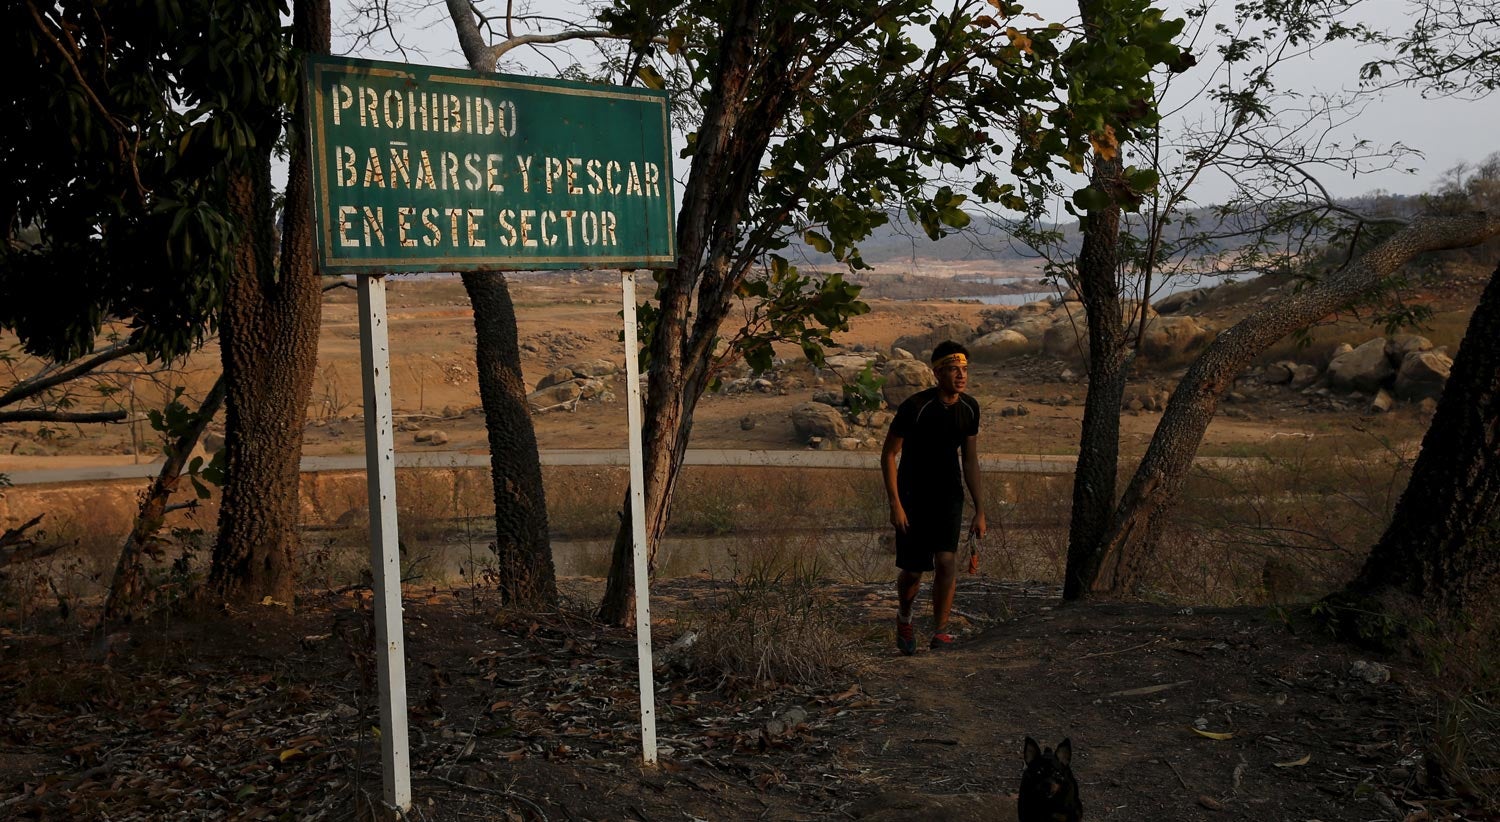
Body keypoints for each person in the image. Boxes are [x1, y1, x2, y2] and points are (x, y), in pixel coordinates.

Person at [881, 340, 986, 654]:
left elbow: (970, 460)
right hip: (912, 495)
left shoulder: (970, 408)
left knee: (946, 561)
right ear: (937, 373)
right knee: (913, 571)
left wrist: (980, 509)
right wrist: (895, 504)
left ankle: (940, 632)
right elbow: (889, 455)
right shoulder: (915, 406)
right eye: (953, 369)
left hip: (949, 495)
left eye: (964, 369)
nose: (961, 375)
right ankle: (905, 617)